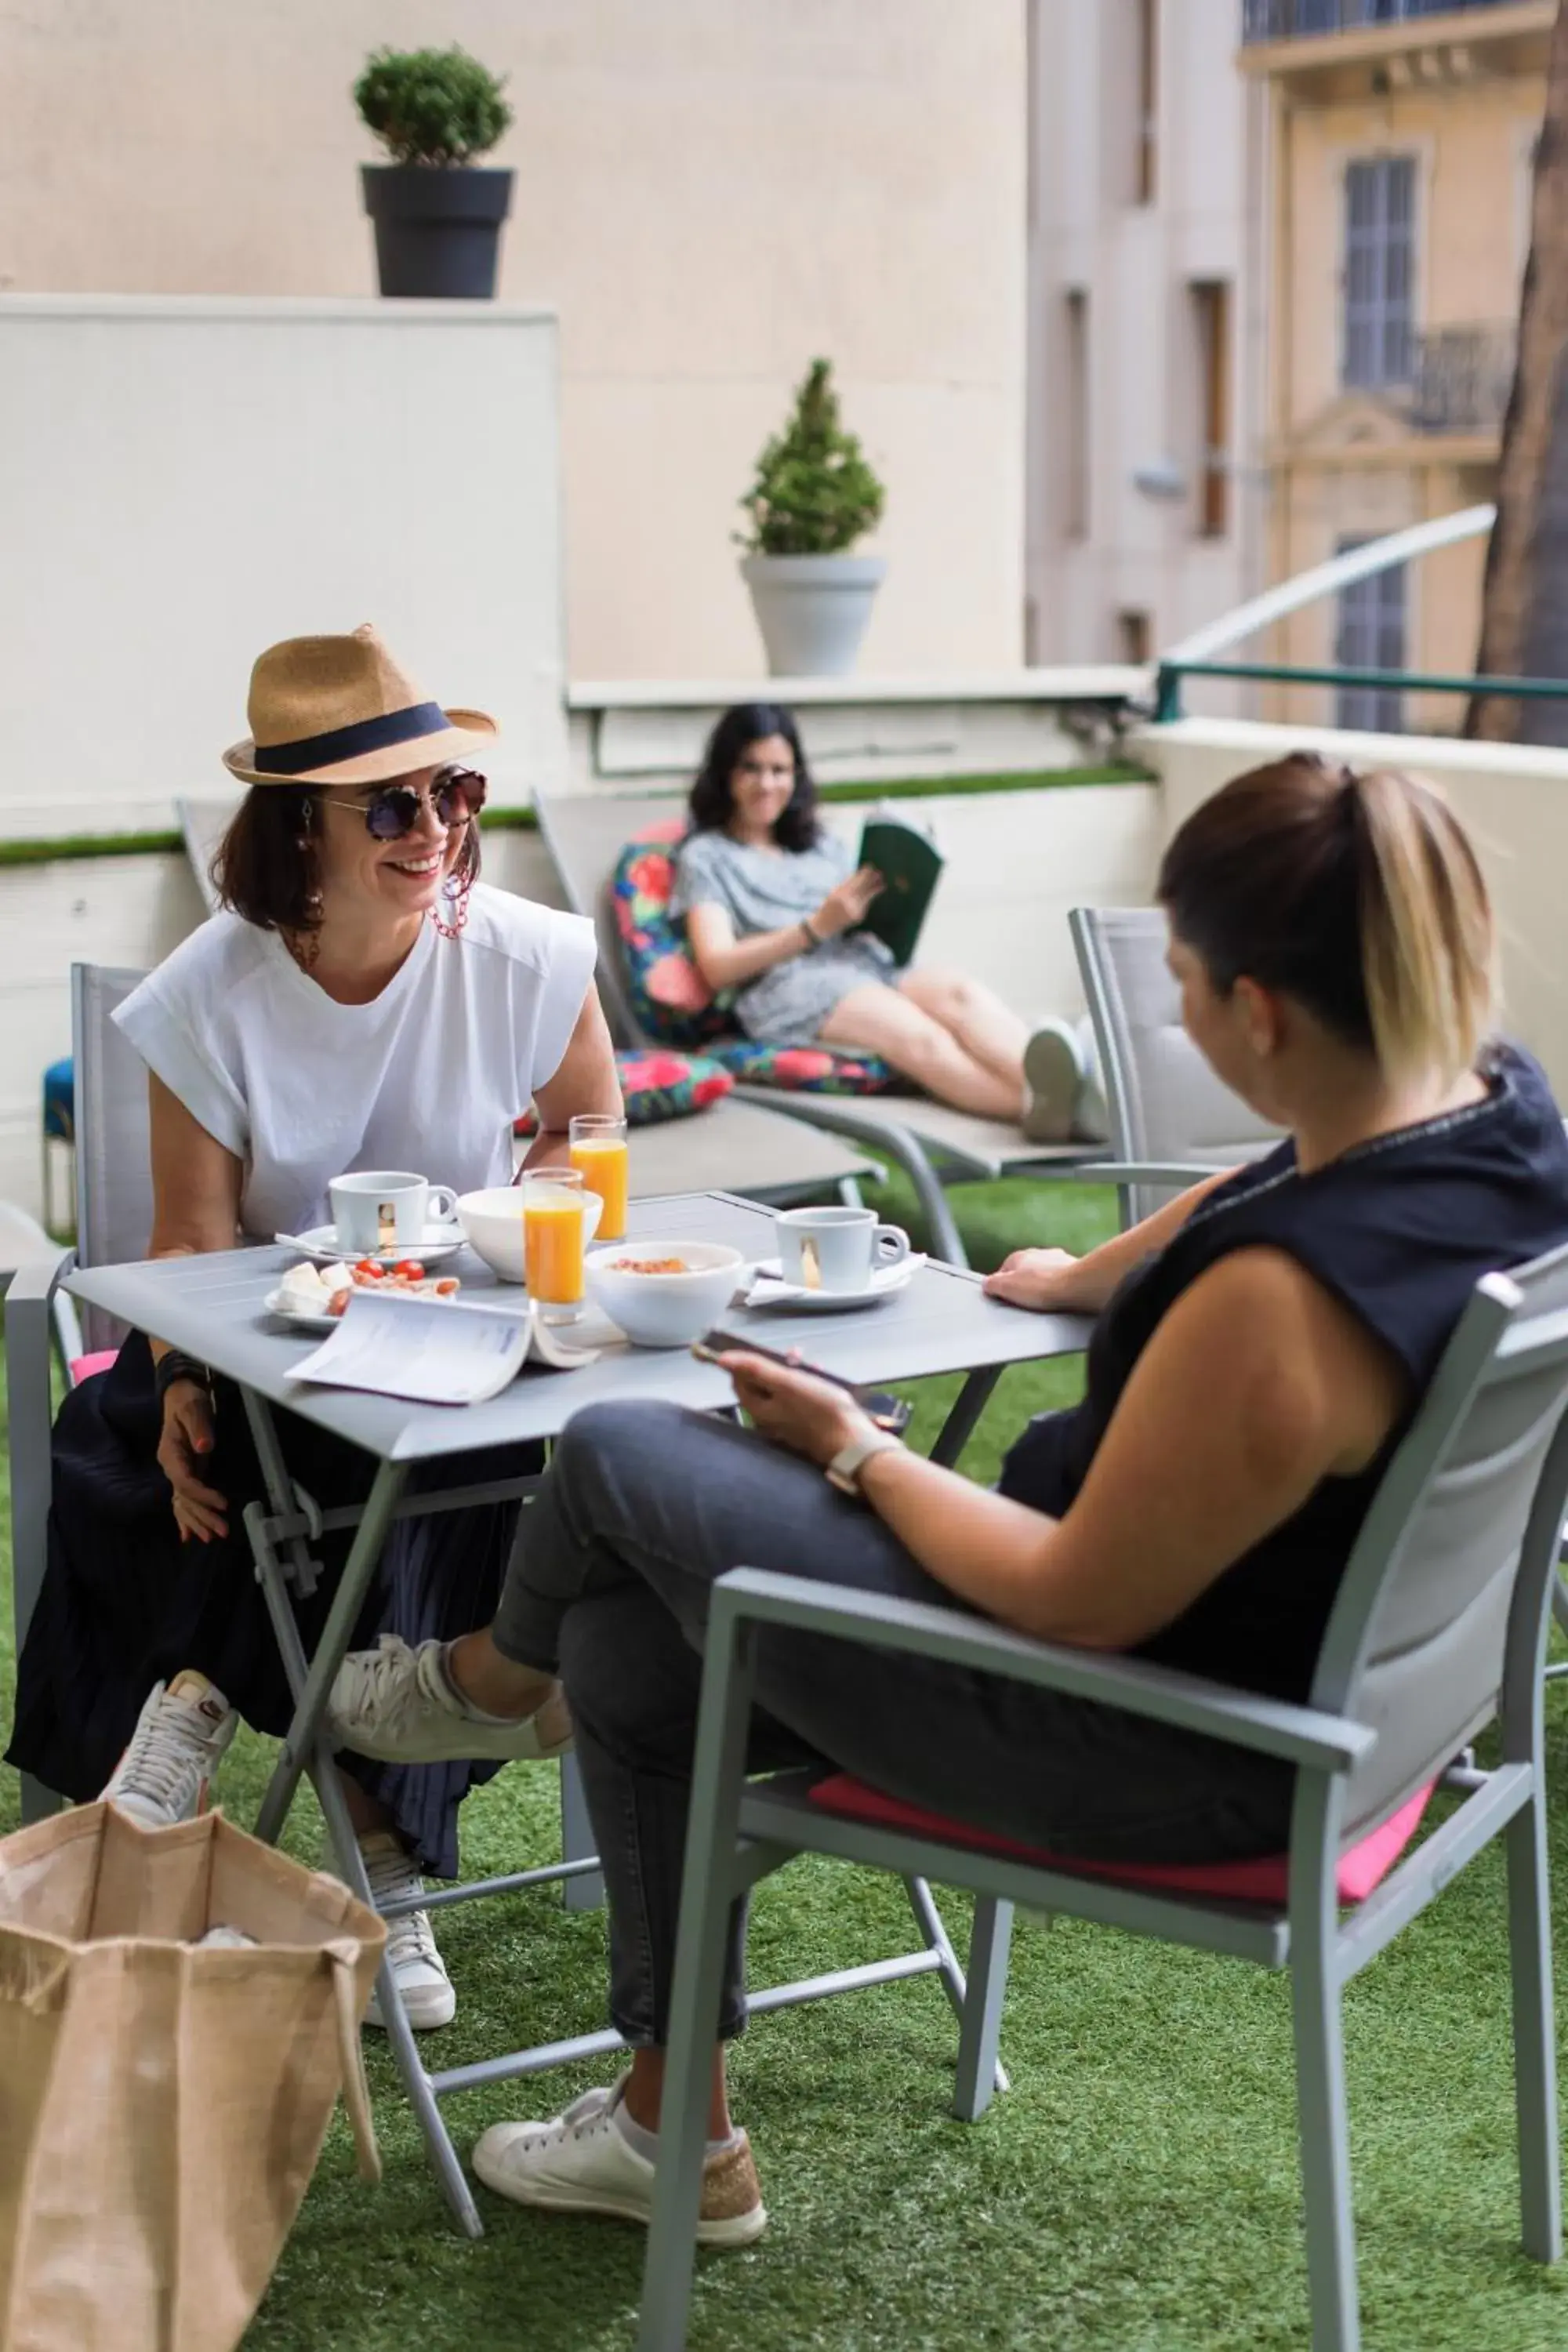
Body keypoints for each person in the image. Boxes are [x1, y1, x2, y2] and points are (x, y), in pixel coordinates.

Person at [321, 750, 1568, 2238]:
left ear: (1260, 1011)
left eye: (1183, 980)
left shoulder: (1276, 1317)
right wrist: (1096, 1271)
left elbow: (1070, 1594)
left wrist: (855, 1450)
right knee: (638, 1655)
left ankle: (470, 1687)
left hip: (1144, 1736)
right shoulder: (1494, 1113)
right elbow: (1273, 1170)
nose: (1172, 1006)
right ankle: (672, 2131)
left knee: (618, 1447)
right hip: (1355, 1716)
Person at [5, 625, 618, 2031]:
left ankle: (200, 1704)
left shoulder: (522, 953)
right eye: (394, 806)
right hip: (271, 1350)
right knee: (259, 1440)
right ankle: (384, 1858)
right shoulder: (210, 993)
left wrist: (525, 1216)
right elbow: (191, 1243)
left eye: (453, 794)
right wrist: (172, 1375)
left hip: (455, 1348)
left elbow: (589, 1130)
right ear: (299, 831)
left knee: (411, 1457)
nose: (439, 830)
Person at [669, 702, 1087, 1139]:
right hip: (788, 986)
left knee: (963, 995)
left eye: (780, 770)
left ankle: (1076, 1087)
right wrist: (815, 928)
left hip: (863, 959)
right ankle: (1061, 1115)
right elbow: (716, 966)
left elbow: (854, 921)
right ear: (725, 773)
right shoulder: (707, 857)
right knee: (922, 1037)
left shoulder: (818, 845)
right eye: (751, 769)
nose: (768, 784)